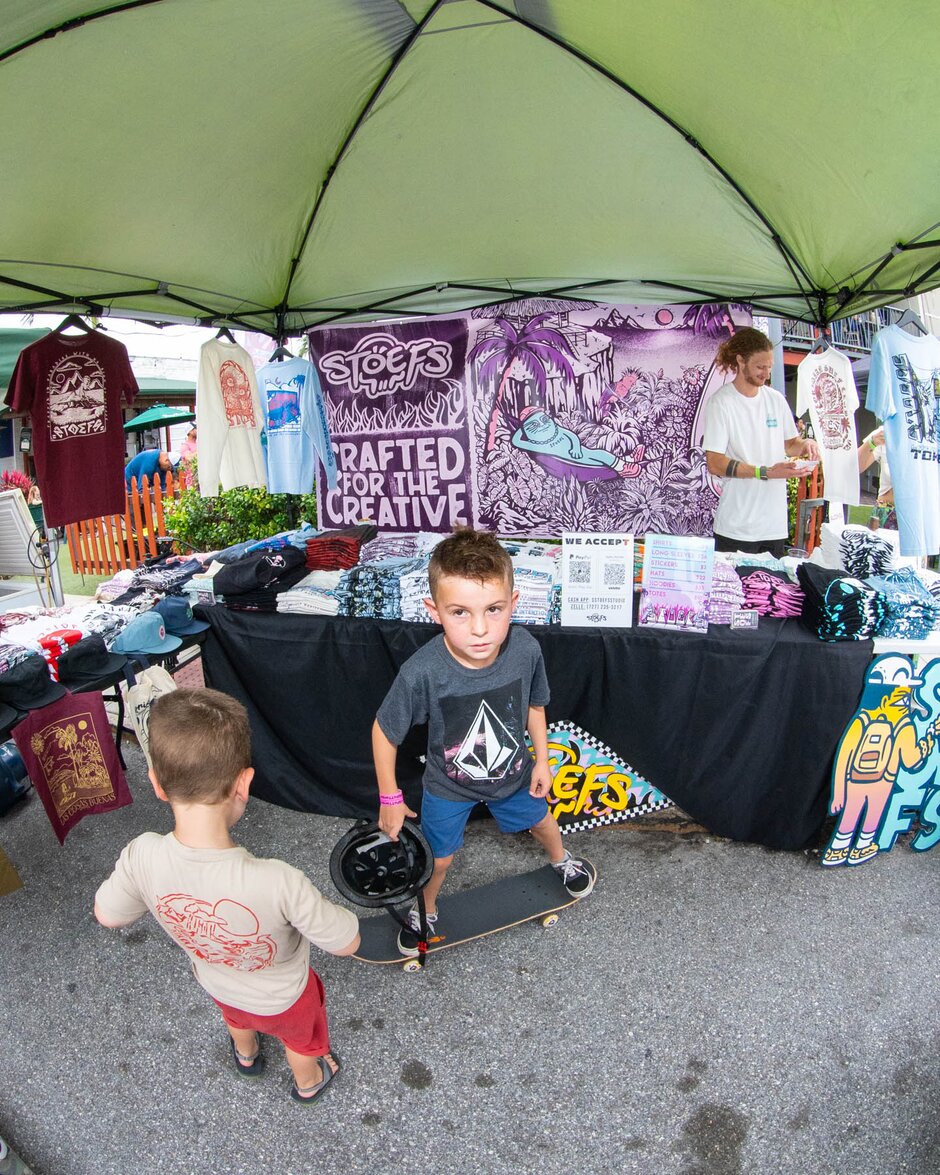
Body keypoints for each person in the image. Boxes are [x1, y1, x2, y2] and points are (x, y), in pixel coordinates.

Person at [94, 688, 360, 1104]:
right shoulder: (278, 881)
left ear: (157, 785)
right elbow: (347, 943)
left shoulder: (141, 854)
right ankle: (309, 1082)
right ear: (244, 783)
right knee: (302, 1041)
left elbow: (108, 914)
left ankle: (247, 1054)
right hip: (285, 997)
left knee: (237, 1018)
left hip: (217, 982)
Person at [372, 527, 594, 957]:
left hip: (513, 776)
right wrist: (389, 796)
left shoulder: (525, 649)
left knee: (544, 823)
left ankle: (561, 860)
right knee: (438, 859)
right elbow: (384, 731)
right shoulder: (422, 672)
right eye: (459, 612)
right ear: (433, 610)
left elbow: (535, 706)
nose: (479, 629)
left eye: (493, 609)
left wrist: (543, 763)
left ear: (514, 604)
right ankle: (426, 910)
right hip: (448, 785)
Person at [702, 327, 820, 558]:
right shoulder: (722, 402)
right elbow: (714, 463)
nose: (766, 373)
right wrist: (765, 472)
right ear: (740, 360)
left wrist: (806, 445)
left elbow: (790, 445)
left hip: (774, 526)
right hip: (736, 527)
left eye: (769, 367)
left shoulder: (775, 399)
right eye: (759, 367)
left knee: (775, 593)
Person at [857, 426, 896, 530]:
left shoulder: (932, 437)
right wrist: (872, 442)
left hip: (922, 515)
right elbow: (856, 467)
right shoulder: (888, 430)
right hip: (887, 513)